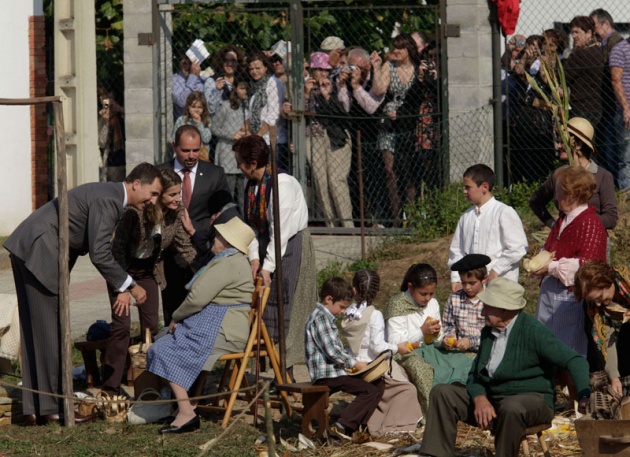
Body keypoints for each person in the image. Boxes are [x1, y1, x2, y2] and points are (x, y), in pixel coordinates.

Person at [4, 163, 163, 425]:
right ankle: (54, 408)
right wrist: (129, 285)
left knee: (39, 332)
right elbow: (100, 252)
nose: (153, 200)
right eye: (153, 193)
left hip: (31, 247)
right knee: (51, 331)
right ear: (137, 184)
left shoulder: (109, 196)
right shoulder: (109, 200)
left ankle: (37, 408)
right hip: (41, 251)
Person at [417, 278, 591, 457]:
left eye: (487, 307)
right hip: (494, 400)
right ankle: (435, 454)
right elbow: (475, 375)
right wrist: (479, 398)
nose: (482, 311)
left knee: (511, 407)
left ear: (504, 309)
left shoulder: (534, 332)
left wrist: (584, 394)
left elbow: (575, 360)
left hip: (531, 400)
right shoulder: (488, 332)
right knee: (442, 393)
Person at [146, 217, 256, 434]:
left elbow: (197, 298)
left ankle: (187, 412)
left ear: (228, 241)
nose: (215, 238)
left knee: (163, 349)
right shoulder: (228, 260)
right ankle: (182, 407)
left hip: (223, 329)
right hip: (216, 321)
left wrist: (176, 317)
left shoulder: (229, 263)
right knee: (162, 341)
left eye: (219, 235)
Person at [101, 168, 198, 395]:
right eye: (172, 195)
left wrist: (207, 271)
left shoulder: (176, 212)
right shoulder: (134, 213)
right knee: (121, 327)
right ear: (159, 194)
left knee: (152, 328)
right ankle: (110, 387)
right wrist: (124, 287)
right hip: (122, 269)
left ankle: (151, 384)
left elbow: (184, 247)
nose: (178, 199)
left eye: (179, 194)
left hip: (148, 272)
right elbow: (117, 251)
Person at [233, 135, 316, 374]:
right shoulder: (252, 185)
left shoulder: (282, 185)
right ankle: (265, 365)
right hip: (266, 246)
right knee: (264, 306)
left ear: (252, 164)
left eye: (240, 162)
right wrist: (254, 258)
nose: (238, 166)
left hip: (290, 246)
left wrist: (267, 267)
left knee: (286, 304)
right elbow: (251, 227)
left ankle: (287, 369)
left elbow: (279, 230)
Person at [534, 165, 607, 360]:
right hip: (550, 293)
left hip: (570, 297)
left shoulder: (590, 223)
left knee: (567, 348)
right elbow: (550, 248)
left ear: (572, 195)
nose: (556, 198)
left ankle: (570, 387)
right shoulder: (563, 220)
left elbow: (588, 265)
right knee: (544, 342)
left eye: (558, 193)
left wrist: (551, 267)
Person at [159, 125, 229, 325]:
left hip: (200, 253)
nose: (191, 156)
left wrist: (196, 230)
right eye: (185, 150)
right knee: (172, 313)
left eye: (196, 150)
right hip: (169, 258)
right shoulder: (160, 172)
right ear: (174, 146)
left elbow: (222, 213)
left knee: (201, 312)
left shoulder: (214, 174)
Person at [341, 269, 422, 434]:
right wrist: (396, 347)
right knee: (408, 389)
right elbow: (377, 347)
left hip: (353, 361)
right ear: (377, 291)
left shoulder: (349, 313)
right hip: (372, 367)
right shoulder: (374, 314)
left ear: (354, 290)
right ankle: (392, 424)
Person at [385, 263, 472, 413]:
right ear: (410, 287)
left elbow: (436, 340)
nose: (427, 298)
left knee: (468, 360)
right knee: (422, 370)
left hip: (431, 350)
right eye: (423, 293)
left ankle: (461, 402)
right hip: (406, 353)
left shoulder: (432, 304)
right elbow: (395, 342)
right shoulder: (397, 304)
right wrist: (422, 331)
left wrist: (440, 336)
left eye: (431, 294)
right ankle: (432, 412)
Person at [305, 277, 383, 441]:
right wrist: (354, 363)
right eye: (341, 307)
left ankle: (357, 427)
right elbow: (332, 351)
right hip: (327, 375)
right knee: (368, 390)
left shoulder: (326, 317)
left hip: (336, 372)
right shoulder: (320, 318)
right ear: (328, 299)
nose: (342, 312)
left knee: (377, 385)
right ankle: (341, 427)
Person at [448, 164, 528, 292]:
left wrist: (496, 271)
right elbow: (457, 250)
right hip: (472, 290)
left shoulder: (504, 212)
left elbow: (517, 248)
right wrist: (456, 278)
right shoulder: (466, 217)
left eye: (468, 187)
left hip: (500, 286)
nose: (464, 191)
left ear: (484, 187)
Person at [529, 117, 617, 230]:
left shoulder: (602, 176)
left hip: (593, 240)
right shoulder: (559, 175)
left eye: (562, 142)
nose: (558, 146)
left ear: (578, 144)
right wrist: (553, 225)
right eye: (558, 142)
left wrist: (581, 222)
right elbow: (535, 202)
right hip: (566, 240)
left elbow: (611, 218)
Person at [371, 33, 421, 222]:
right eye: (394, 48)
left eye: (400, 48)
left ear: (409, 49)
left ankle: (412, 214)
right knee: (390, 170)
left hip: (410, 121)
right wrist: (376, 68)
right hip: (390, 122)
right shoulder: (389, 66)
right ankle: (396, 216)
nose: (397, 51)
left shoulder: (418, 69)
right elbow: (379, 90)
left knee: (410, 170)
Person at [301, 51, 353, 228]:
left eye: (325, 70)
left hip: (334, 137)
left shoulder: (337, 85)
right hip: (312, 137)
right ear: (312, 70)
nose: (322, 74)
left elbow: (344, 111)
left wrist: (327, 95)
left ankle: (348, 225)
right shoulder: (304, 87)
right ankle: (332, 226)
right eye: (318, 70)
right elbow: (302, 116)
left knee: (335, 181)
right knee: (320, 181)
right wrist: (307, 95)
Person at [575, 259, 630, 396]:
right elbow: (606, 340)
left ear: (607, 283)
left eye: (599, 297)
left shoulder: (627, 278)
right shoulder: (594, 307)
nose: (598, 304)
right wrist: (614, 377)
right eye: (594, 301)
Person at [589, 9, 625, 175]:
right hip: (610, 105)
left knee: (616, 152)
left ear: (606, 24)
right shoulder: (605, 45)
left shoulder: (615, 44)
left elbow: (615, 77)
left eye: (594, 25)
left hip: (614, 104)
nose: (592, 30)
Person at [211, 76, 250, 210]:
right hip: (228, 153)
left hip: (245, 154)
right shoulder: (226, 106)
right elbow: (214, 127)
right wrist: (231, 135)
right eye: (241, 88)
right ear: (235, 89)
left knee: (243, 195)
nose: (245, 91)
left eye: (247, 88)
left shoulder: (249, 107)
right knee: (229, 194)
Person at [246, 51, 288, 169]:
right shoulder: (254, 86)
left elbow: (273, 115)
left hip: (273, 141)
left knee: (272, 177)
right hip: (258, 140)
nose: (254, 71)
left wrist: (257, 136)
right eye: (251, 69)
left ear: (265, 67)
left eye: (258, 68)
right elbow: (249, 113)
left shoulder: (274, 83)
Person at [442, 254, 491, 353]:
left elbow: (494, 332)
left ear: (484, 279)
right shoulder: (454, 299)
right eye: (463, 283)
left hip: (485, 352)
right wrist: (448, 338)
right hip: (459, 352)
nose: (467, 287)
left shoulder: (491, 300)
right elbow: (448, 324)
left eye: (472, 283)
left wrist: (471, 342)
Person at [564, 16, 604, 127]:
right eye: (572, 32)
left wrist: (573, 52)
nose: (573, 36)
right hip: (593, 106)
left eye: (577, 32)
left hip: (582, 107)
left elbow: (562, 75)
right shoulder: (596, 50)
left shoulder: (582, 54)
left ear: (589, 33)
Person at [608, 17, 630, 190]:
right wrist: (626, 108)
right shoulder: (620, 50)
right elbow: (616, 80)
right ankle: (627, 196)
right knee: (627, 158)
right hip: (627, 112)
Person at [203, 45, 245, 116]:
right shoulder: (211, 81)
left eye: (233, 60)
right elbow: (210, 109)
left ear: (238, 63)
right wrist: (217, 90)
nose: (229, 64)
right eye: (226, 60)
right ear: (221, 62)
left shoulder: (242, 81)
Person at [172, 91, 212, 162]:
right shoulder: (182, 120)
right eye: (193, 107)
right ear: (188, 107)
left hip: (201, 155)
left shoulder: (206, 121)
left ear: (203, 108)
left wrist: (199, 123)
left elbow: (207, 139)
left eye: (199, 107)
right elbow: (174, 138)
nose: (196, 110)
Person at [97, 88, 126, 182]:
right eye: (102, 96)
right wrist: (106, 123)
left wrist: (120, 110)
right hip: (113, 161)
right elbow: (102, 142)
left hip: (128, 156)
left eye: (106, 94)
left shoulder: (122, 113)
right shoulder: (101, 117)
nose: (104, 98)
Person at [173, 55, 205, 120]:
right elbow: (182, 102)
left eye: (190, 64)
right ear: (179, 64)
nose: (187, 67)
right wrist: (192, 77)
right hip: (182, 121)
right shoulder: (173, 80)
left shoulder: (202, 80)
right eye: (184, 63)